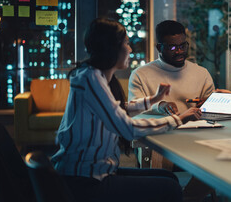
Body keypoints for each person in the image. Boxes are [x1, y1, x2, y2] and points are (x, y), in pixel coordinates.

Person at [51, 18, 202, 202]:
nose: (130, 49)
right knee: (169, 187)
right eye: (127, 43)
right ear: (112, 48)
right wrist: (179, 119)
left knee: (169, 178)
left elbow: (117, 108)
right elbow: (128, 129)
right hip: (84, 181)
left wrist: (153, 100)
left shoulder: (92, 76)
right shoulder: (91, 79)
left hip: (97, 172)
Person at [128, 20, 215, 115]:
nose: (179, 51)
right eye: (172, 48)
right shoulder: (140, 75)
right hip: (158, 129)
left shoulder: (201, 73)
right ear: (159, 48)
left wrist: (208, 104)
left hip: (196, 128)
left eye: (183, 46)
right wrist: (159, 106)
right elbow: (134, 110)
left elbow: (213, 110)